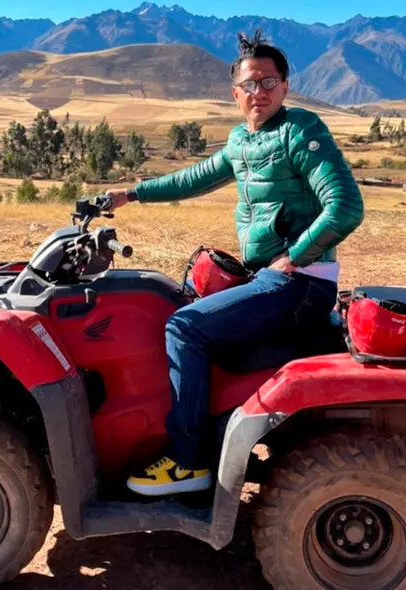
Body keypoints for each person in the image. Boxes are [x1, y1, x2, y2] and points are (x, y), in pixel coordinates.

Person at [105, 30, 364, 496]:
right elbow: (196, 177)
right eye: (250, 84)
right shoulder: (242, 140)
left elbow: (345, 205)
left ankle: (188, 461)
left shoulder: (299, 130)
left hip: (299, 282)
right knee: (176, 299)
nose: (258, 92)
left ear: (285, 86)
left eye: (269, 82)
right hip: (270, 276)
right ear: (235, 94)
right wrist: (131, 193)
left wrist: (296, 255)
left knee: (184, 327)